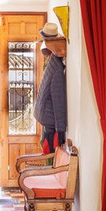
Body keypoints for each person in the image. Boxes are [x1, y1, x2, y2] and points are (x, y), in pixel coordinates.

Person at [34, 22, 67, 152]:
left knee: (50, 152)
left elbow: (58, 99)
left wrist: (61, 129)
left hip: (47, 118)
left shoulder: (53, 66)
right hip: (49, 119)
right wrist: (61, 130)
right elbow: (58, 100)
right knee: (50, 152)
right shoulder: (55, 66)